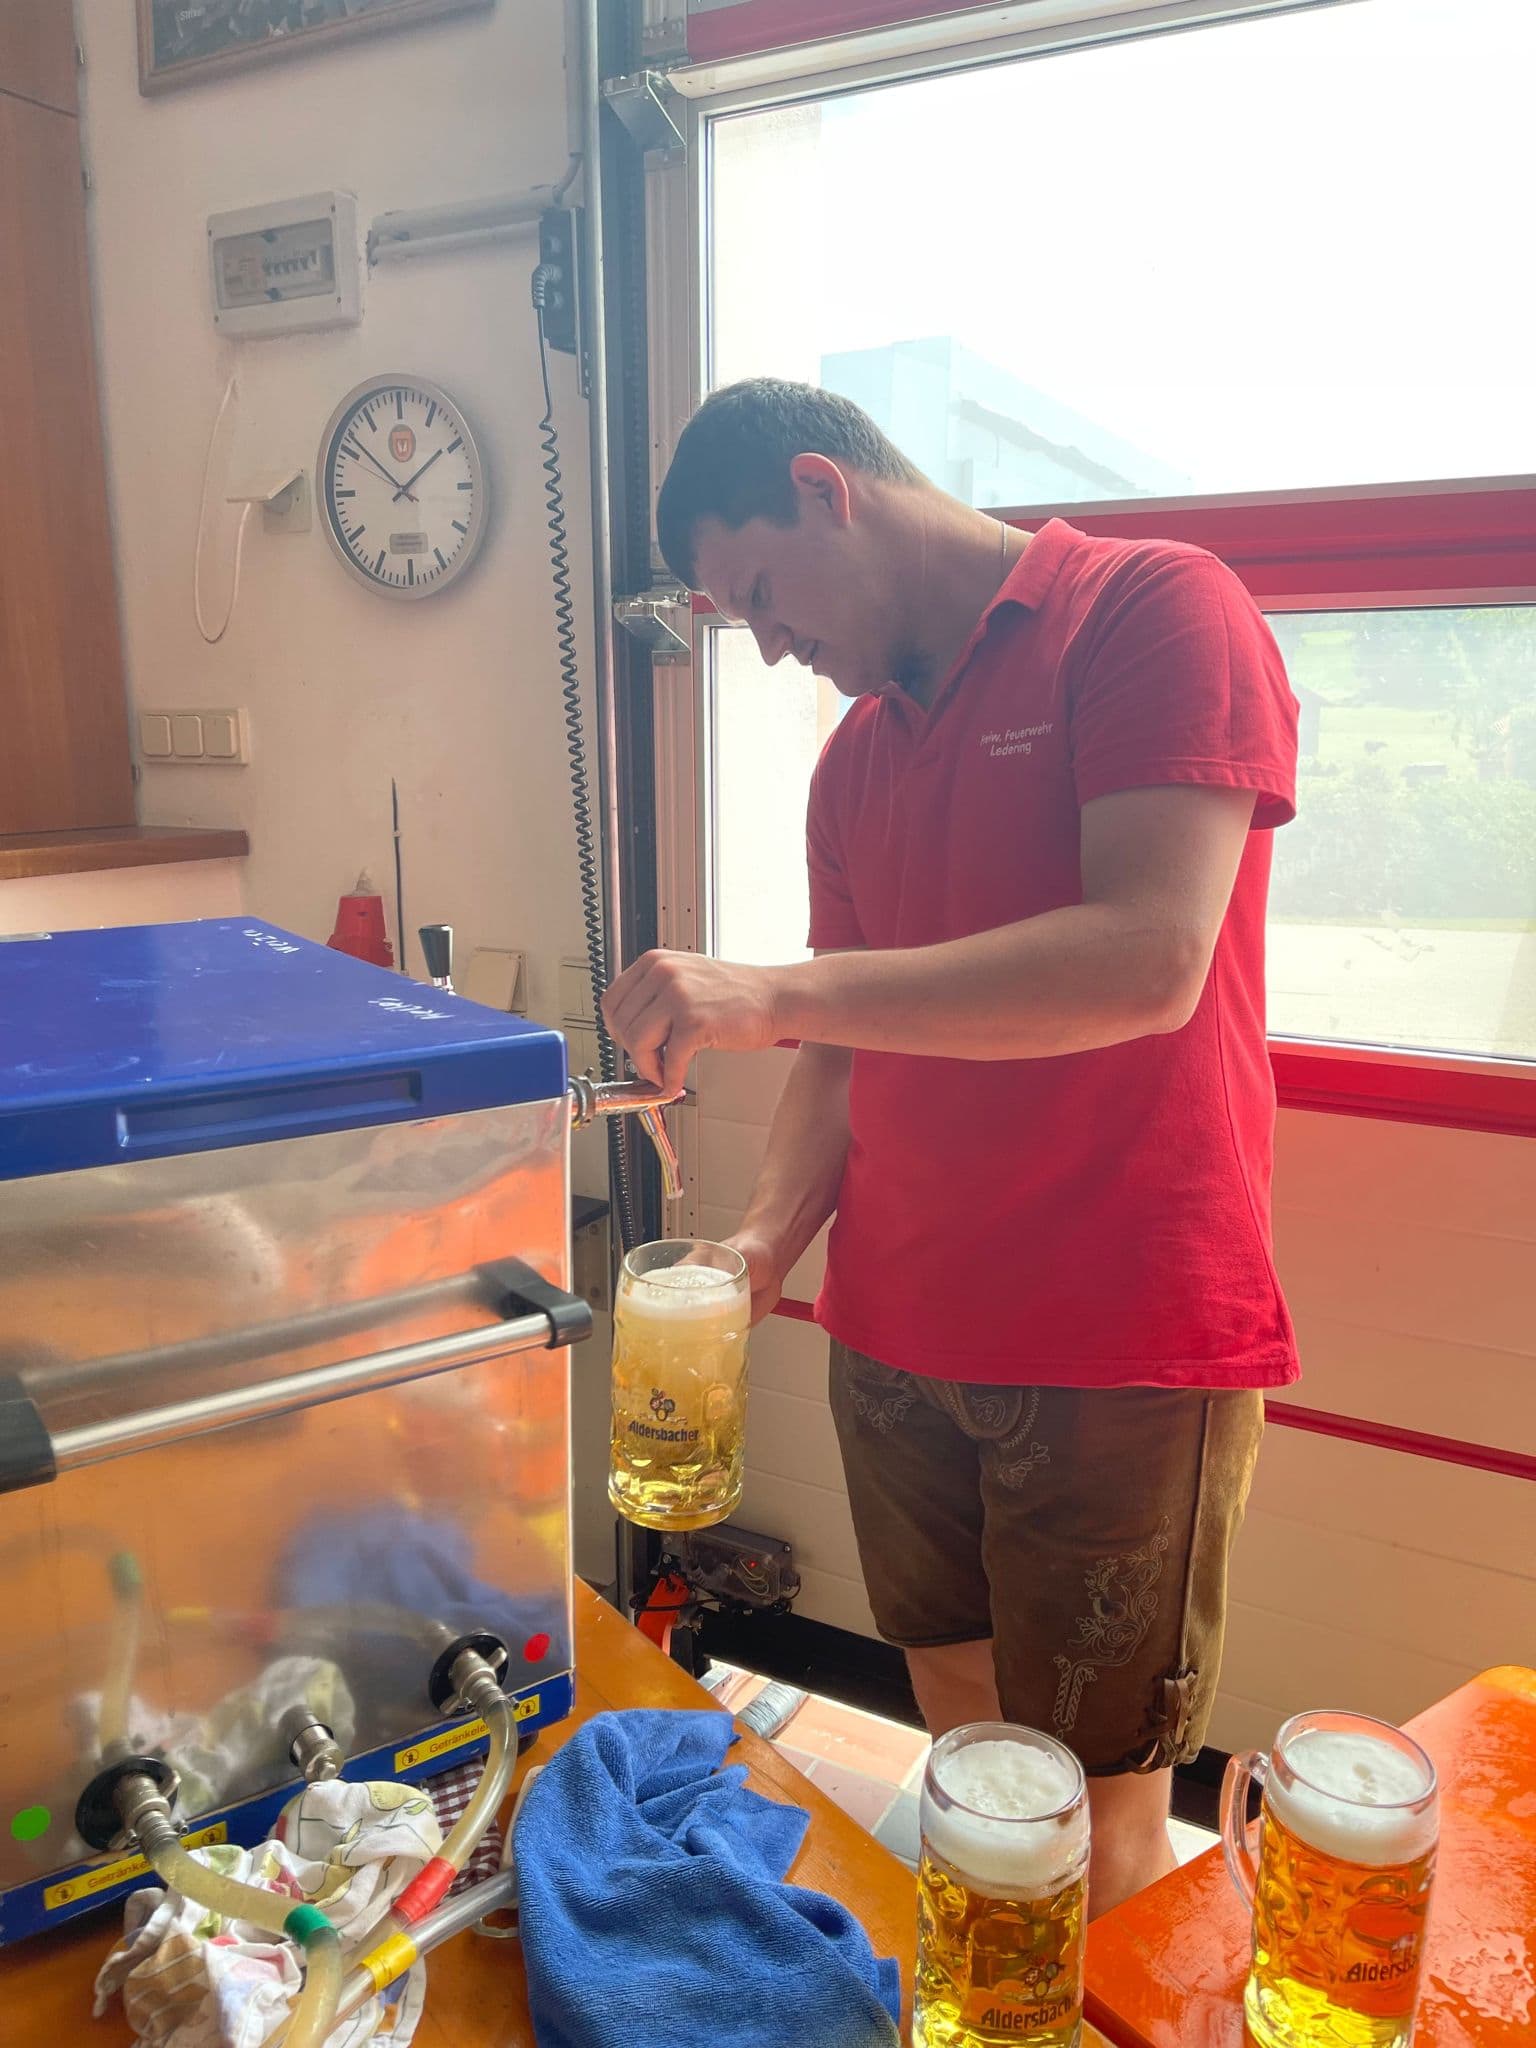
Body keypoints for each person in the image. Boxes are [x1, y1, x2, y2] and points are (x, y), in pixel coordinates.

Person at [602, 379, 1300, 1916]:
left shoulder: (1151, 611)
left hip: (1113, 1338)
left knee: (1092, 1805)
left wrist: (775, 991)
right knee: (969, 1753)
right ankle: (988, 1999)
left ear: (825, 486)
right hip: (897, 1334)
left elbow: (1147, 958)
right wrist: (765, 1245)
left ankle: (1081, 2005)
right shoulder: (855, 761)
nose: (768, 644)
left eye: (762, 594)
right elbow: (847, 1054)